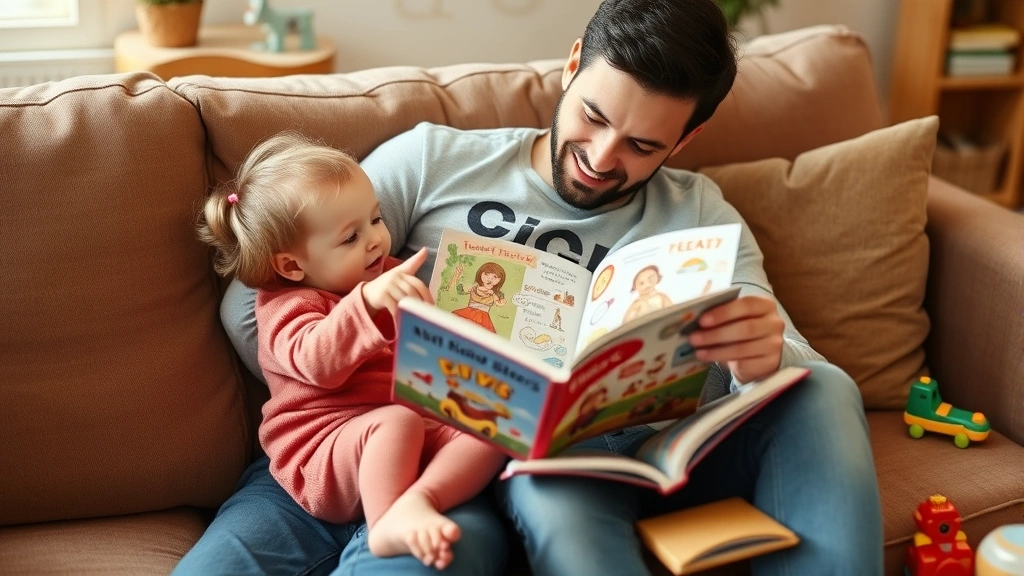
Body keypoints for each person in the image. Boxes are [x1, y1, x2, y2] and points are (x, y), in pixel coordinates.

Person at [176, 0, 883, 574]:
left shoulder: (697, 212)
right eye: (595, 117)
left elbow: (795, 357)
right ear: (573, 64)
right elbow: (259, 284)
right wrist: (362, 366)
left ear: (685, 141)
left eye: (643, 146)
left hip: (509, 462)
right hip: (355, 436)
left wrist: (758, 354)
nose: (602, 158)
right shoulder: (432, 161)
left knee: (823, 388)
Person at [191, 132, 507, 572]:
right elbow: (318, 362)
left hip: (409, 434)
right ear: (291, 265)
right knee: (396, 423)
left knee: (491, 424)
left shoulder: (388, 277)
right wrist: (370, 303)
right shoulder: (287, 304)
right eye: (350, 237)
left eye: (376, 219)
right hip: (324, 451)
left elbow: (432, 360)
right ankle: (385, 525)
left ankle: (420, 499)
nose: (377, 240)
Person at [451, 262, 508, 332]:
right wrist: (456, 276)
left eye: (495, 277)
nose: (489, 278)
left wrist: (493, 294)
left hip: (483, 319)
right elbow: (459, 290)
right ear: (480, 273)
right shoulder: (474, 288)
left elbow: (501, 303)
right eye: (486, 274)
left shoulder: (498, 294)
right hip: (468, 313)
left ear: (500, 280)